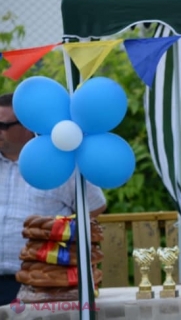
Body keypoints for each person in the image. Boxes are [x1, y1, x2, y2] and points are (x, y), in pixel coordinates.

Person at [0, 92, 107, 306]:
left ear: (28, 126)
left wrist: (58, 235)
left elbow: (95, 205)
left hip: (40, 283)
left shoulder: (59, 162)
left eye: (2, 125)